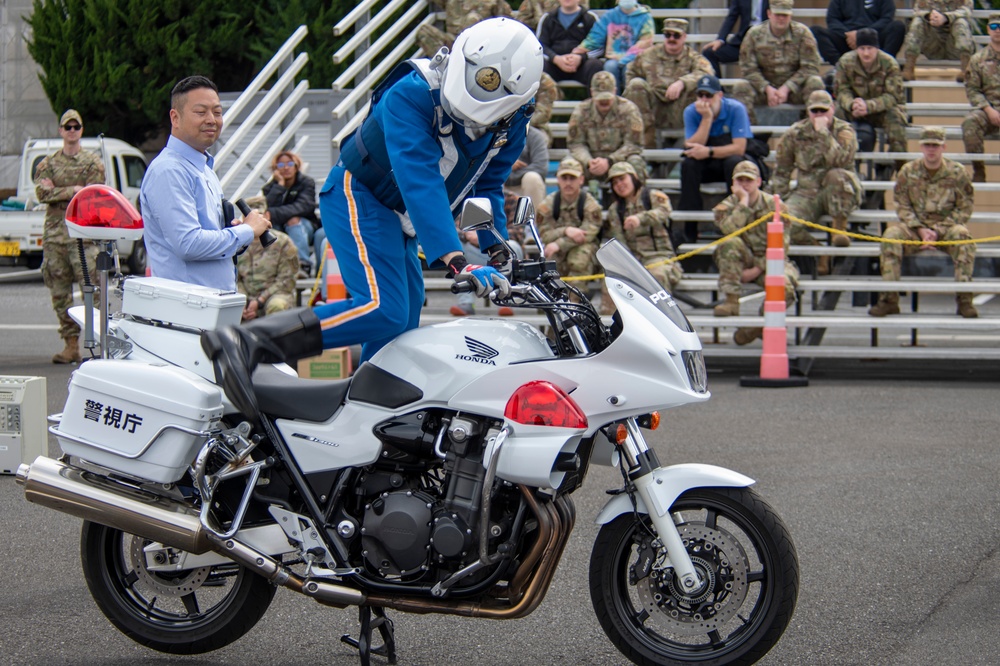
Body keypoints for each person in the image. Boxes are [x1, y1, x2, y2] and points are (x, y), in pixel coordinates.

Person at [313, 18, 541, 362]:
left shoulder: (514, 122)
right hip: (361, 192)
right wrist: (458, 260)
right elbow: (418, 178)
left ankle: (370, 404)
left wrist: (498, 248)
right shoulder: (411, 92)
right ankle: (266, 341)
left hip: (400, 216)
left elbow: (486, 184)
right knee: (382, 309)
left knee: (402, 321)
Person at [140, 76, 271, 291]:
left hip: (209, 308)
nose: (211, 119)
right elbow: (189, 244)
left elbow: (206, 238)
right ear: (175, 118)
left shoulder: (203, 168)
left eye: (217, 112)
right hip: (187, 312)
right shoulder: (169, 170)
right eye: (201, 112)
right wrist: (246, 231)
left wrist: (233, 232)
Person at [869, 126, 977, 318]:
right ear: (921, 146)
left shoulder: (957, 172)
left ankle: (964, 300)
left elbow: (964, 207)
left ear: (944, 147)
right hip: (914, 228)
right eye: (927, 145)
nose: (931, 149)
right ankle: (889, 300)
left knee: (963, 237)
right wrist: (919, 229)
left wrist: (937, 230)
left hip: (946, 228)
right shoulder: (908, 171)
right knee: (890, 236)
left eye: (935, 145)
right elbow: (901, 204)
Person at [34, 109, 105, 364]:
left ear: (81, 130)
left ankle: (99, 344)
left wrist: (61, 190)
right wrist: (74, 189)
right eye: (68, 127)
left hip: (83, 236)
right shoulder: (48, 163)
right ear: (61, 131)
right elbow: (41, 194)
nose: (72, 131)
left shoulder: (92, 162)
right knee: (59, 292)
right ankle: (71, 344)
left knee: (94, 291)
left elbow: (92, 194)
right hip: (55, 237)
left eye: (76, 126)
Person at [772, 90, 862, 273]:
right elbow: (783, 168)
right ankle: (819, 251)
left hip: (839, 191)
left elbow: (841, 160)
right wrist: (778, 199)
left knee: (836, 175)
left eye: (823, 110)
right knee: (783, 221)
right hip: (806, 192)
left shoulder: (844, 131)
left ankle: (839, 229)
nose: (819, 115)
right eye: (815, 111)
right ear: (808, 112)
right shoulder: (796, 132)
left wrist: (823, 134)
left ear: (832, 109)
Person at [711, 160, 798, 346]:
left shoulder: (774, 206)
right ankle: (732, 301)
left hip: (771, 261)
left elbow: (783, 245)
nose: (744, 184)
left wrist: (757, 269)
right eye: (740, 180)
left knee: (786, 289)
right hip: (741, 260)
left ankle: (756, 328)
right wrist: (743, 203)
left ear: (758, 182)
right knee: (730, 243)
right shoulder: (726, 206)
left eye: (748, 180)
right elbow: (728, 230)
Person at [677, 74, 753, 242]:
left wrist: (709, 151)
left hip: (726, 163)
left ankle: (732, 223)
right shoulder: (691, 111)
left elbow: (739, 148)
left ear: (719, 95)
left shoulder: (736, 109)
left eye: (709, 96)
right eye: (701, 95)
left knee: (734, 162)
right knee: (689, 165)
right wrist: (707, 118)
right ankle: (690, 229)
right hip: (705, 165)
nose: (704, 100)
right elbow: (691, 146)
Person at [600, 161, 681, 314]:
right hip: (633, 260)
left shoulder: (653, 197)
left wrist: (641, 218)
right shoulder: (615, 210)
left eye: (622, 179)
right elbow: (619, 241)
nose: (619, 185)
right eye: (615, 182)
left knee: (657, 276)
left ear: (634, 177)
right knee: (609, 282)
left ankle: (665, 318)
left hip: (659, 257)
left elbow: (664, 211)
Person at [730, 0, 825, 125]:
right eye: (777, 15)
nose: (781, 19)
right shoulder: (754, 34)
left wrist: (787, 88)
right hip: (763, 89)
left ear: (790, 16)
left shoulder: (802, 33)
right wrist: (767, 88)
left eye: (785, 15)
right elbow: (748, 68)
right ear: (769, 14)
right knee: (741, 87)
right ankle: (750, 135)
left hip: (794, 89)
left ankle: (809, 129)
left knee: (815, 83)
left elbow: (810, 66)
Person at [624, 18, 715, 148]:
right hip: (653, 107)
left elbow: (707, 74)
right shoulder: (649, 54)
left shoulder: (693, 57)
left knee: (702, 91)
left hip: (679, 108)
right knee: (636, 85)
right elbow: (631, 71)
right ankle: (647, 144)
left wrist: (682, 82)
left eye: (676, 35)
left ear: (684, 37)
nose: (671, 39)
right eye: (668, 35)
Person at [833, 28, 907, 159]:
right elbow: (841, 90)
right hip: (855, 109)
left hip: (881, 110)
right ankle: (839, 160)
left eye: (870, 48)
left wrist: (868, 106)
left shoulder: (889, 64)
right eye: (862, 48)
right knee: (837, 113)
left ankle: (899, 166)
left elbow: (893, 96)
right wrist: (851, 104)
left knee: (895, 117)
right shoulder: (846, 62)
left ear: (877, 48)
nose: (866, 53)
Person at [567, 71, 647, 185]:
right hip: (591, 163)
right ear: (592, 92)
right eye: (600, 98)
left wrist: (609, 161)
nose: (604, 101)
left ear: (615, 91)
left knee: (635, 162)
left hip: (619, 161)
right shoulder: (581, 110)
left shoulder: (629, 110)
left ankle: (636, 201)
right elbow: (575, 143)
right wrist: (589, 161)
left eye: (607, 97)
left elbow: (634, 144)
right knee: (569, 165)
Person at [536, 156, 603, 280]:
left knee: (579, 257)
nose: (568, 183)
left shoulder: (590, 205)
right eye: (564, 178)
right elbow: (545, 235)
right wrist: (566, 230)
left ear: (581, 179)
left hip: (584, 250)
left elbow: (586, 235)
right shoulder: (547, 205)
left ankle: (576, 298)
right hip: (558, 251)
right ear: (558, 179)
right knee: (548, 259)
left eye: (572, 178)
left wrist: (560, 243)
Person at [576, 0, 655, 94]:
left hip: (635, 59)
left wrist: (624, 58)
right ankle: (613, 103)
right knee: (610, 67)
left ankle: (630, 104)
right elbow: (596, 37)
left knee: (629, 69)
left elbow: (645, 43)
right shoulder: (609, 16)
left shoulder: (645, 17)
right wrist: (579, 50)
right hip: (613, 58)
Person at [262, 150, 318, 276]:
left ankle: (303, 264)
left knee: (293, 220)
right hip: (278, 227)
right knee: (267, 226)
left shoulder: (306, 183)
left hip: (305, 227)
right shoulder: (269, 188)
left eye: (290, 164)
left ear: (296, 166)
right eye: (281, 165)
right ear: (275, 169)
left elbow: (304, 206)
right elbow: (267, 208)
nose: (286, 168)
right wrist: (280, 186)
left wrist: (274, 213)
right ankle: (273, 267)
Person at [961, 14, 1000, 183]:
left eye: (999, 26)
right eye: (993, 27)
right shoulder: (978, 59)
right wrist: (988, 109)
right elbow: (973, 89)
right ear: (988, 30)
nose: (997, 30)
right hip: (989, 111)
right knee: (970, 122)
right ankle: (979, 170)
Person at [810, 0, 905, 66]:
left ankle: (883, 65)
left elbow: (887, 18)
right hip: (847, 40)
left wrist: (863, 34)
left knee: (898, 26)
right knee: (816, 31)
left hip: (874, 40)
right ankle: (840, 67)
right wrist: (847, 34)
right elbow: (832, 19)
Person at [900, 0, 975, 82]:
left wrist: (946, 17)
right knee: (917, 22)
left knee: (961, 22)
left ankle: (965, 71)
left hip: (955, 48)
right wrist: (929, 16)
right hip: (933, 45)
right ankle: (909, 68)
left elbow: (967, 10)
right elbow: (917, 10)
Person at [237, 229, 299, 321]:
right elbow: (235, 279)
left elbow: (287, 280)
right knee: (231, 306)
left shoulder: (283, 242)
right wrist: (243, 301)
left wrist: (260, 301)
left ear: (268, 216)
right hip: (247, 296)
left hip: (276, 294)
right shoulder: (239, 242)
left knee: (276, 305)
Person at [536, 0, 603, 86]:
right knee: (539, 66)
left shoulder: (589, 18)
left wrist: (581, 58)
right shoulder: (548, 18)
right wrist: (555, 58)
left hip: (582, 66)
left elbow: (599, 47)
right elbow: (539, 47)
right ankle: (540, 99)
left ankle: (595, 99)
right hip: (554, 65)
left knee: (595, 65)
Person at [415, 0, 512, 55]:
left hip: (480, 45)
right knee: (424, 31)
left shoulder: (494, 1)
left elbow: (508, 22)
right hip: (452, 41)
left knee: (472, 19)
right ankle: (444, 65)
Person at [702, 0, 770, 77]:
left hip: (766, 44)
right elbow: (732, 16)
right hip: (743, 44)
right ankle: (718, 88)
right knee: (709, 53)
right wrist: (720, 39)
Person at [505, 124, 549, 212]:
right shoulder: (496, 134)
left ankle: (533, 224)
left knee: (532, 178)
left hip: (522, 186)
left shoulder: (535, 136)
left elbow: (540, 167)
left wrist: (509, 172)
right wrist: (507, 165)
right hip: (500, 184)